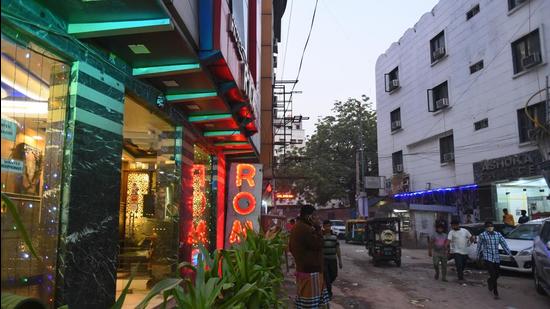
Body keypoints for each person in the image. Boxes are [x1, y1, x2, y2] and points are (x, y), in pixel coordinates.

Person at [289, 205, 330, 308]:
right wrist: (318, 228)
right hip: (310, 272)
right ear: (309, 216)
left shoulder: (298, 227)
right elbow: (319, 243)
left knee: (304, 301)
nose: (317, 218)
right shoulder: (305, 229)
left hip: (304, 269)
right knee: (310, 304)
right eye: (315, 215)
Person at [477, 221, 512, 300]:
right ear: (485, 228)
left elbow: (504, 244)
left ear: (493, 226)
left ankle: (490, 281)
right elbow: (479, 246)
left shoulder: (498, 235)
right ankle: (496, 292)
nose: (490, 227)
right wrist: (478, 256)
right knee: (493, 274)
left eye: (491, 226)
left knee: (497, 274)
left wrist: (509, 254)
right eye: (488, 226)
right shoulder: (482, 235)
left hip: (496, 257)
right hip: (487, 256)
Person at [322, 220, 343, 299]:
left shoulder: (334, 236)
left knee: (334, 275)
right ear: (323, 227)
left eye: (329, 226)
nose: (327, 227)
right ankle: (329, 293)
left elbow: (337, 248)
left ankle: (327, 285)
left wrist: (340, 260)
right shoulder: (321, 236)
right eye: (326, 226)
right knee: (326, 277)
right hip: (324, 260)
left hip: (333, 260)